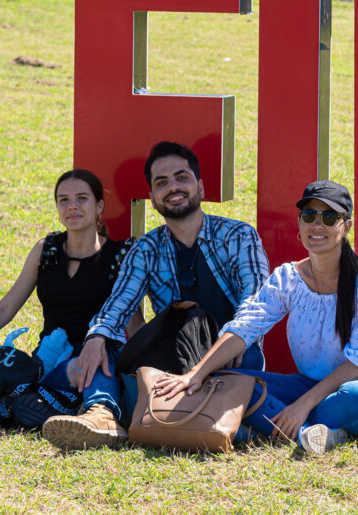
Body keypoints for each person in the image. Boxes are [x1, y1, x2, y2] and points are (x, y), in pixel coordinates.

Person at [41, 140, 269, 450]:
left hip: (228, 361)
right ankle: (102, 413)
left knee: (249, 359)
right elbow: (118, 305)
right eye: (161, 182)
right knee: (103, 351)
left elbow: (255, 304)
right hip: (171, 359)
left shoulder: (238, 236)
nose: (172, 187)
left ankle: (179, 420)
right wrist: (96, 338)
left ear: (200, 187)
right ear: (152, 197)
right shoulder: (146, 248)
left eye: (181, 178)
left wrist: (230, 343)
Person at [154, 180, 358, 455]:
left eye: (329, 217)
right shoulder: (288, 278)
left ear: (347, 226)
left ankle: (269, 425)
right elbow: (245, 327)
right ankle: (310, 434)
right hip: (306, 385)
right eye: (309, 216)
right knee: (226, 380)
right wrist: (195, 374)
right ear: (300, 223)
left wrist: (302, 405)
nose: (317, 225)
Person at [0, 169, 133, 417]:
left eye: (82, 198)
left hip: (88, 361)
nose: (72, 207)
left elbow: (131, 321)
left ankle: (71, 404)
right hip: (44, 361)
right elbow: (5, 308)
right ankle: (39, 397)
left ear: (99, 206)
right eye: (63, 200)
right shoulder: (45, 250)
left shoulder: (120, 256)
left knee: (88, 367)